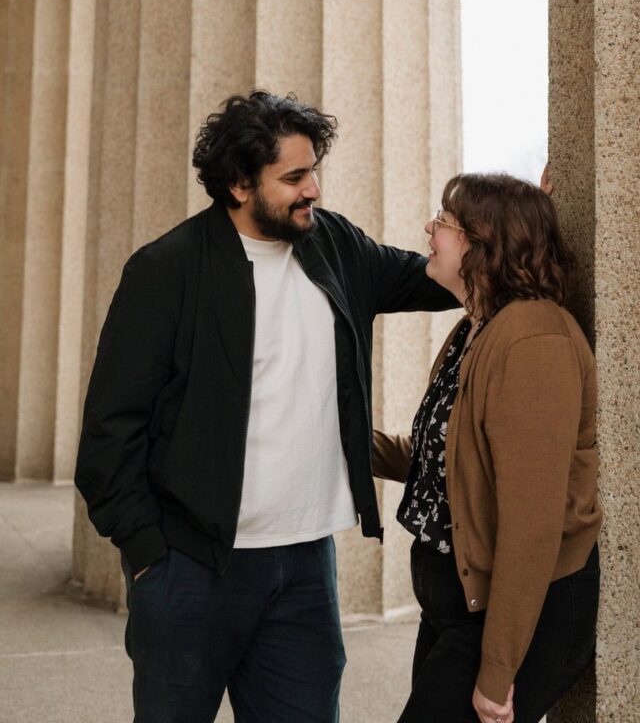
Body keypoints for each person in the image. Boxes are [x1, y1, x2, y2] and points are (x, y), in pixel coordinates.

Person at [74, 90, 456, 723]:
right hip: (190, 567)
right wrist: (146, 553)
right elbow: (110, 433)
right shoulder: (164, 271)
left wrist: (522, 220)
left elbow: (434, 278)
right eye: (294, 177)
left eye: (314, 171)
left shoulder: (333, 245)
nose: (313, 191)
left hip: (306, 567)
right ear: (238, 184)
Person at [374, 173, 602, 723]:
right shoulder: (474, 330)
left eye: (445, 222)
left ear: (484, 244)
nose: (430, 228)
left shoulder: (533, 341)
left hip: (514, 612)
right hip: (460, 602)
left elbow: (532, 521)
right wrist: (337, 439)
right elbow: (446, 456)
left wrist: (497, 675)